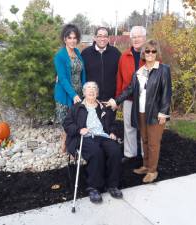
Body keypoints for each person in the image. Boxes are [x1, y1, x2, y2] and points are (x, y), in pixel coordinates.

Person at [105, 40, 172, 183]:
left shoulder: (163, 69)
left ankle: (153, 171)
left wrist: (163, 113)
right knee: (145, 140)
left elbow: (167, 93)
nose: (150, 54)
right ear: (143, 53)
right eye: (147, 51)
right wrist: (115, 101)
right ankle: (146, 166)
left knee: (154, 143)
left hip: (155, 113)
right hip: (140, 112)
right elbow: (129, 89)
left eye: (153, 51)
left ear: (157, 53)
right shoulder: (139, 72)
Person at [63, 81, 123, 203]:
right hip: (85, 137)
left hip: (103, 136)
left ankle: (112, 185)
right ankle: (94, 187)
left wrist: (112, 132)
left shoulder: (103, 107)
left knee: (115, 150)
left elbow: (112, 123)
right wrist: (79, 129)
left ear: (97, 93)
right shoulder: (77, 107)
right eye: (88, 88)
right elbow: (67, 124)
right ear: (84, 92)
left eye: (94, 88)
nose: (91, 90)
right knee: (96, 153)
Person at [54, 24, 86, 152]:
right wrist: (73, 95)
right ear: (64, 39)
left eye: (75, 38)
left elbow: (82, 72)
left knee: (77, 119)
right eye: (70, 38)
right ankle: (65, 142)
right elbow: (62, 79)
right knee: (66, 121)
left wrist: (84, 90)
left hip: (79, 92)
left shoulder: (77, 52)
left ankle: (73, 144)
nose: (72, 40)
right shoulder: (60, 56)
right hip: (66, 94)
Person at [116, 26, 146, 159]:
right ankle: (130, 154)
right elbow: (120, 78)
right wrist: (118, 99)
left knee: (146, 128)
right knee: (129, 127)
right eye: (133, 37)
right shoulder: (124, 56)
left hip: (146, 99)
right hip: (128, 99)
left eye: (139, 36)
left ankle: (146, 155)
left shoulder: (150, 54)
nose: (136, 39)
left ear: (144, 38)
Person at [81, 27, 121, 101]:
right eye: (100, 36)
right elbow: (80, 73)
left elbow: (120, 75)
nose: (102, 39)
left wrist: (118, 99)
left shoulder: (116, 53)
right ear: (95, 38)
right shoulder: (85, 53)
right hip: (91, 99)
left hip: (110, 100)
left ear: (108, 38)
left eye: (105, 36)